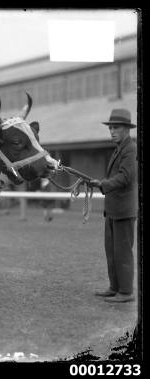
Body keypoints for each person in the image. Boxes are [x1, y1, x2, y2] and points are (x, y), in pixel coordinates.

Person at [88, 109, 137, 303]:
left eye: (116, 128)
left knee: (123, 252)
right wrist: (100, 183)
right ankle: (114, 287)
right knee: (112, 251)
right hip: (113, 210)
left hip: (124, 211)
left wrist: (103, 184)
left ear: (126, 129)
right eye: (110, 128)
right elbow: (117, 178)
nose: (112, 131)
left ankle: (126, 292)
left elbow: (125, 178)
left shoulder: (130, 149)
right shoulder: (119, 148)